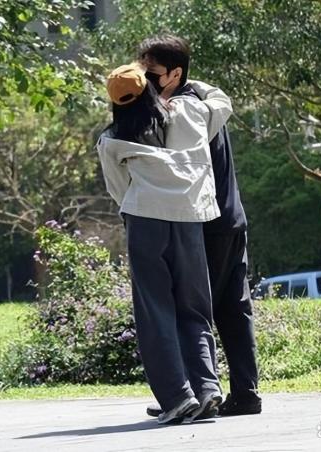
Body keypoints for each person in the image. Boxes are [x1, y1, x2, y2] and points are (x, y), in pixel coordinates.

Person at [97, 63, 233, 424]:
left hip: (145, 219)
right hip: (189, 218)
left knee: (156, 312)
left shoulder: (112, 138)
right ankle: (207, 388)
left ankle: (176, 396)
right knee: (195, 308)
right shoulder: (186, 113)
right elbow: (221, 101)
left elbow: (117, 189)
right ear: (148, 89)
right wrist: (183, 79)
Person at [138, 35, 262, 417]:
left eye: (151, 74)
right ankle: (245, 392)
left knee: (191, 310)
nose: (145, 81)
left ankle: (195, 396)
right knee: (233, 307)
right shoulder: (205, 102)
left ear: (175, 74)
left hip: (201, 222)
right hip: (231, 217)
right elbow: (220, 97)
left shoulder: (180, 111)